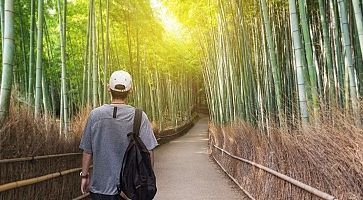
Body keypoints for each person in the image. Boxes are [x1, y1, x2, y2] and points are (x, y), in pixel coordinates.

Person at [79, 70, 158, 200]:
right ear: (130, 90)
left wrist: (84, 176)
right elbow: (149, 151)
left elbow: (87, 150)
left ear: (108, 88)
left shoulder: (95, 115)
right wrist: (147, 179)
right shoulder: (139, 117)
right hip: (130, 190)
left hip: (100, 189)